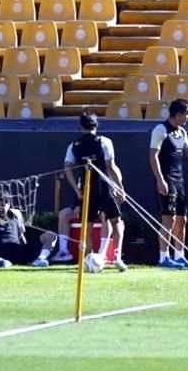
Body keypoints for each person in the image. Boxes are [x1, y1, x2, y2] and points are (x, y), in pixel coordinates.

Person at [34, 111, 128, 271]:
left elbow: (67, 167)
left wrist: (77, 189)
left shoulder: (74, 145)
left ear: (80, 127)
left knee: (88, 226)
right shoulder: (104, 141)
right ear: (96, 125)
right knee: (115, 221)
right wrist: (120, 187)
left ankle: (87, 259)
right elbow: (111, 166)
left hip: (87, 188)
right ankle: (117, 257)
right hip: (104, 187)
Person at [148, 98, 188, 269]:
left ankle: (180, 256)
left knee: (182, 220)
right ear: (178, 114)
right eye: (187, 114)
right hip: (167, 179)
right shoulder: (160, 130)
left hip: (179, 180)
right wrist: (160, 179)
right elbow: (153, 155)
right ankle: (163, 258)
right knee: (168, 219)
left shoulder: (182, 132)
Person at [0, 192, 55, 267]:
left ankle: (40, 260)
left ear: (9, 205)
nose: (0, 207)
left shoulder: (16, 214)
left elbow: (21, 236)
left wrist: (27, 253)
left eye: (3, 204)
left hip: (17, 250)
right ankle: (0, 262)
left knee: (51, 235)